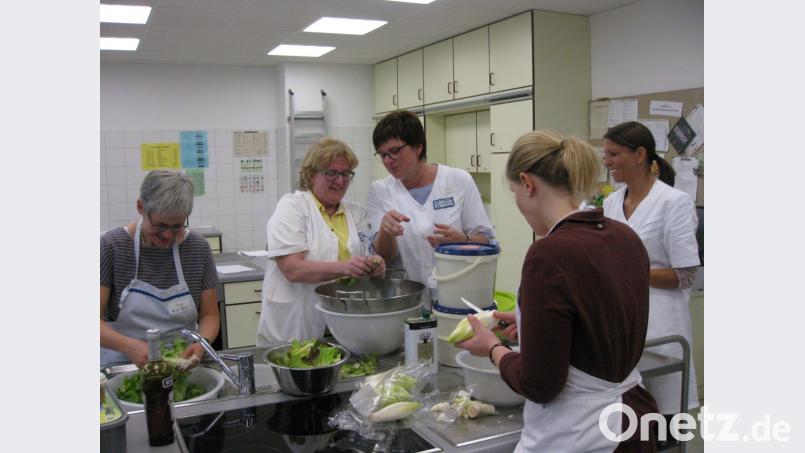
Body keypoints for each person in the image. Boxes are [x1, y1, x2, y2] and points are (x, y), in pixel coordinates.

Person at [457, 130, 658, 452]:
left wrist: (493, 348)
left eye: (514, 192)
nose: (519, 205)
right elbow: (597, 330)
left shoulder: (549, 254)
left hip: (583, 433)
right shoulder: (624, 236)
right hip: (636, 423)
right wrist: (532, 327)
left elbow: (539, 385)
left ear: (528, 183)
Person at [602, 121, 701, 425]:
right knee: (628, 418)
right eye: (605, 154)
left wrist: (631, 272)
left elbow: (685, 276)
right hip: (622, 329)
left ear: (640, 154)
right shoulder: (610, 203)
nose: (607, 162)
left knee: (662, 421)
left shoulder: (674, 203)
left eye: (614, 154)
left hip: (661, 332)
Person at [257, 138, 386, 346]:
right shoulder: (292, 207)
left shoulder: (356, 213)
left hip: (342, 326)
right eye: (331, 173)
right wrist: (346, 268)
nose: (340, 181)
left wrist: (375, 264)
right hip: (294, 327)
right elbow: (292, 269)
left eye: (346, 173)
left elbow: (369, 253)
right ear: (310, 175)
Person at [367, 110, 495, 296]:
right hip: (406, 299)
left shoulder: (458, 180)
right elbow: (383, 256)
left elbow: (485, 241)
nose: (388, 161)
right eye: (382, 154)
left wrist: (462, 240)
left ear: (418, 146)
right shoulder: (380, 191)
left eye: (394, 152)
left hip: (455, 295)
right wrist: (386, 232)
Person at [101, 170, 219, 368]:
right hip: (124, 364)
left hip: (183, 363)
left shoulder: (198, 248)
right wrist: (129, 346)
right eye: (160, 225)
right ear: (140, 207)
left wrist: (201, 344)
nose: (167, 235)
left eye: (177, 226)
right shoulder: (112, 247)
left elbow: (210, 315)